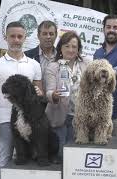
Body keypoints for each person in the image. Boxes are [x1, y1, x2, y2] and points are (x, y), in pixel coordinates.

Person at [0, 21, 42, 179]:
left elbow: (39, 93)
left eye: (19, 36)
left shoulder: (34, 65)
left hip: (29, 121)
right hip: (5, 120)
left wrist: (39, 91)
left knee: (29, 161)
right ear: (6, 38)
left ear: (25, 38)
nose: (16, 40)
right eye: (12, 36)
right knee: (4, 159)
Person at [45, 31, 90, 160]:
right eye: (67, 46)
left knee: (77, 156)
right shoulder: (53, 67)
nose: (70, 50)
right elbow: (49, 91)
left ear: (78, 49)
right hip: (60, 117)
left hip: (81, 117)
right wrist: (53, 95)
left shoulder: (86, 63)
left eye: (74, 47)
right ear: (60, 48)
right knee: (61, 155)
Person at [24, 20, 57, 93]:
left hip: (56, 102)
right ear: (38, 36)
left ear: (56, 36)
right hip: (34, 101)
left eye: (51, 34)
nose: (48, 37)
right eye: (45, 34)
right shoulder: (27, 56)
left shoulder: (62, 57)